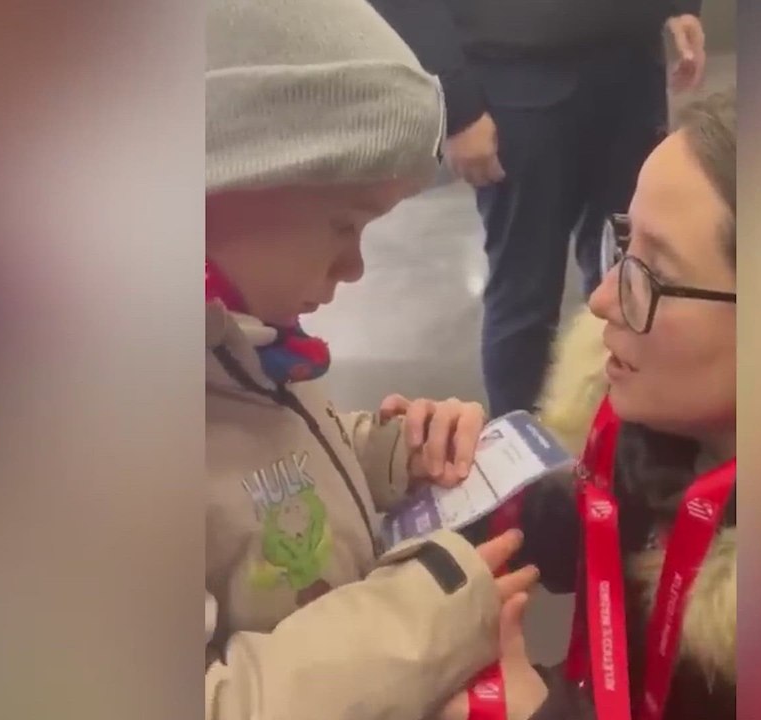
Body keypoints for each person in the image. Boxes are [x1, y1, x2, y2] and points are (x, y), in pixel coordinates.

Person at [203, 0, 539, 718]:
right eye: (343, 223)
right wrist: (427, 613)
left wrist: (378, 456)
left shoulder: (233, 344)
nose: (355, 266)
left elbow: (246, 471)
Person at [449, 89, 738, 720]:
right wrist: (465, 493)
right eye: (624, 244)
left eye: (652, 272)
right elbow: (594, 526)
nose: (602, 298)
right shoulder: (648, 435)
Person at [368, 0, 711, 418]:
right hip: (519, 82)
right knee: (525, 295)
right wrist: (455, 104)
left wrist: (680, 6)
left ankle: (623, 448)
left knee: (632, 278)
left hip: (633, 69)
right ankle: (524, 464)